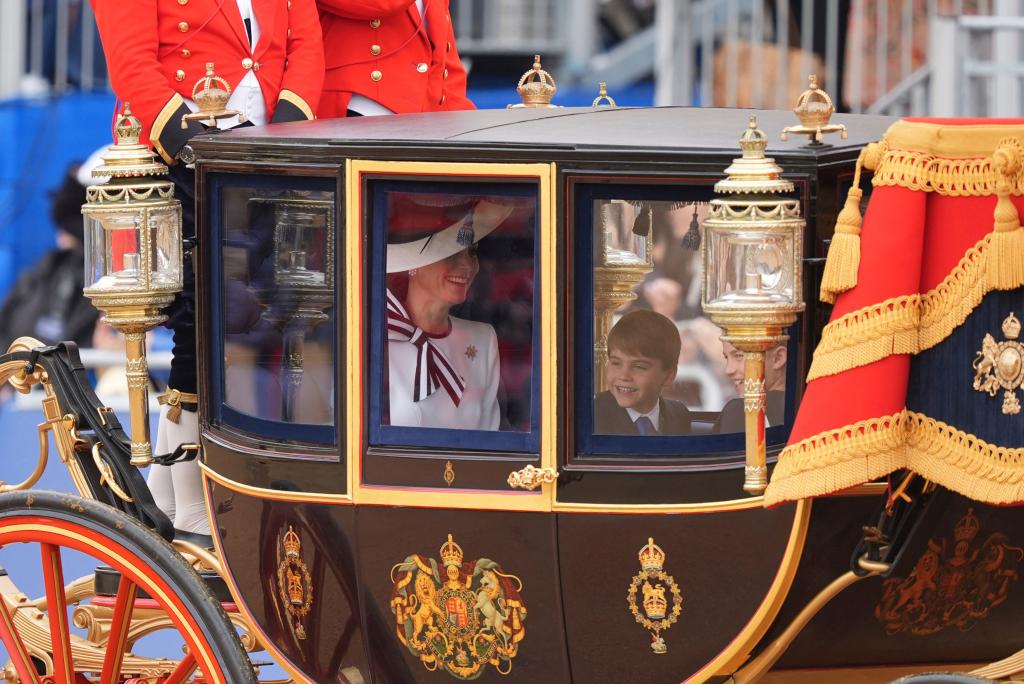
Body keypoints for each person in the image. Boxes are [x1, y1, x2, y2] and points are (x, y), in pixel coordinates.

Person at [91, 0, 325, 535]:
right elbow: (132, 67)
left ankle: (194, 498)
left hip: (268, 162)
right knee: (199, 330)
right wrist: (199, 146)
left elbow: (304, 45)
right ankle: (185, 498)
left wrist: (284, 131)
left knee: (265, 330)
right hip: (184, 161)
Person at [385, 201, 512, 430]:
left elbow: (490, 437)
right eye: (450, 252)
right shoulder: (380, 338)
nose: (467, 265)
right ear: (413, 263)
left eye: (472, 252)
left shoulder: (483, 340)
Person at [316, 0, 474, 118]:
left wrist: (460, 119)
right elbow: (382, 3)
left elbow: (443, 55)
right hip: (356, 109)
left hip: (426, 119)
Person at [0, 165, 98, 352]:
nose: (60, 231)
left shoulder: (96, 277)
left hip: (62, 375)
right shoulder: (46, 268)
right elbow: (5, 322)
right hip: (17, 372)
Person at [596, 310, 692, 436]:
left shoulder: (679, 414)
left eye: (639, 367)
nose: (624, 376)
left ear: (669, 376)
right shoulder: (591, 416)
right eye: (616, 363)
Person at [716, 338, 786, 433]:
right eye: (726, 357)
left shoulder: (741, 410)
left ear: (778, 358)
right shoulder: (802, 409)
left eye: (739, 355)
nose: (728, 370)